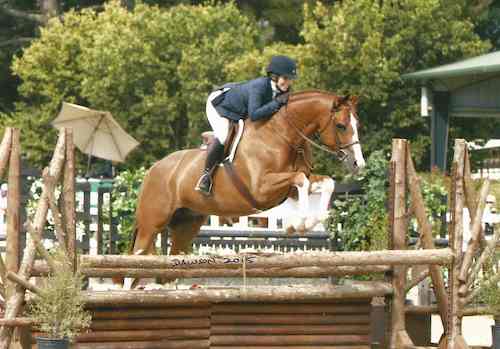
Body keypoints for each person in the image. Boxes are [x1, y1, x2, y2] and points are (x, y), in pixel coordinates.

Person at [195, 55, 297, 196]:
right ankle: (205, 176)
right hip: (220, 105)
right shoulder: (259, 87)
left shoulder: (283, 89)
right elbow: (254, 115)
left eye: (290, 79)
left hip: (239, 110)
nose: (288, 83)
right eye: (285, 78)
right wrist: (277, 103)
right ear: (274, 76)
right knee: (224, 134)